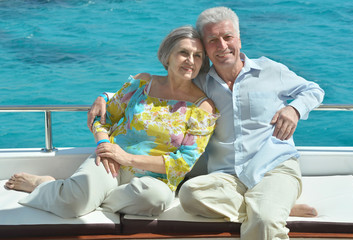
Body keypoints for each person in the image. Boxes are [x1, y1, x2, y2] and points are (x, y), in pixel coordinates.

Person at [87, 7, 324, 239]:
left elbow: (313, 90)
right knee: (190, 194)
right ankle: (270, 206)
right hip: (227, 176)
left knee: (264, 221)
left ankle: (268, 209)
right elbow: (159, 86)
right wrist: (106, 97)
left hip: (273, 166)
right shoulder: (199, 83)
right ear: (205, 47)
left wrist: (294, 109)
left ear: (239, 39)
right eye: (212, 40)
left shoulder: (270, 70)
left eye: (228, 37)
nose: (222, 46)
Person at [4, 26, 218, 219]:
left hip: (154, 178)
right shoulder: (143, 82)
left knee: (157, 200)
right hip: (110, 161)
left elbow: (183, 163)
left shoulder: (203, 107)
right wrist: (104, 146)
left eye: (198, 56)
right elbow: (103, 118)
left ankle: (76, 194)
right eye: (184, 53)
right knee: (72, 206)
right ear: (167, 56)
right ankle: (45, 185)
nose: (191, 60)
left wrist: (127, 158)